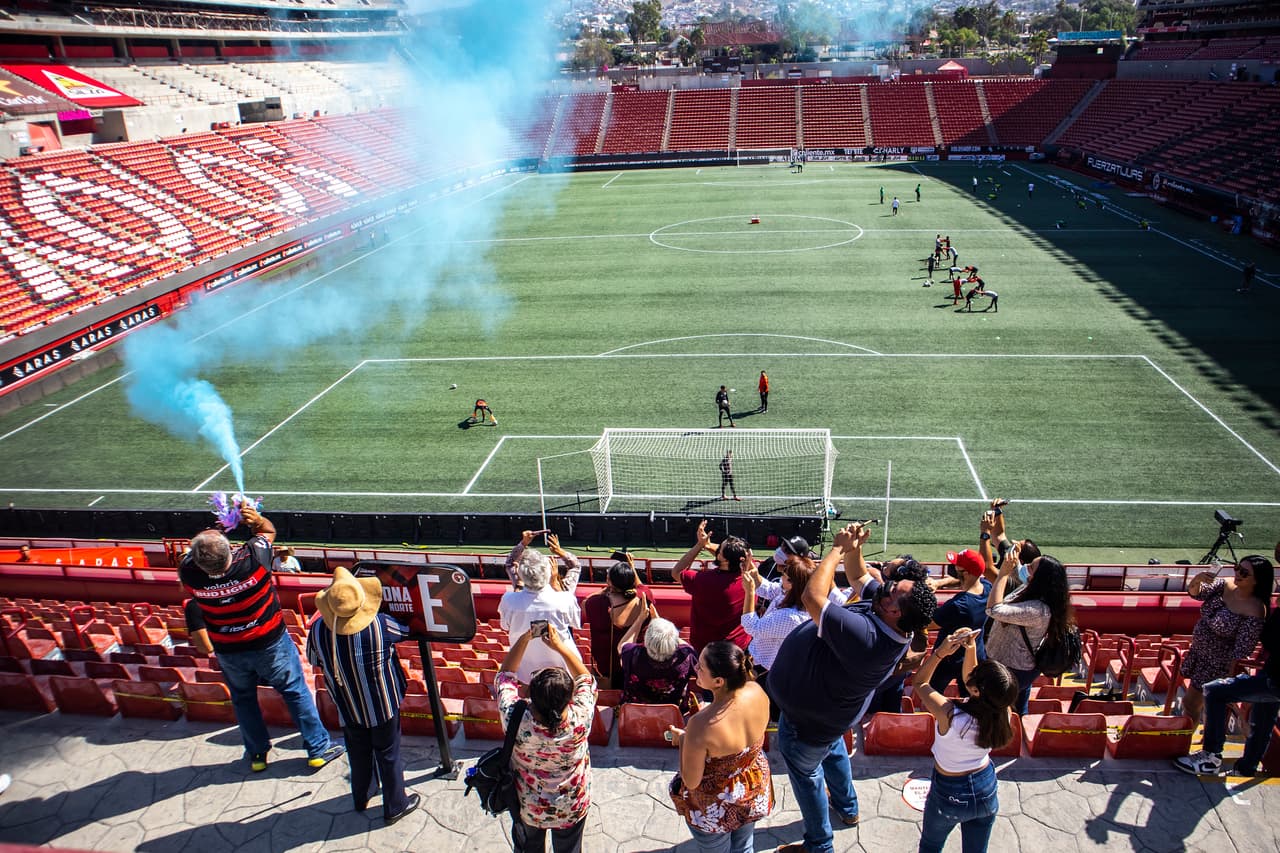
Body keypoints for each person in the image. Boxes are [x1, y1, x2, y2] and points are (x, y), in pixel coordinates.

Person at [769, 522, 937, 853]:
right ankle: (847, 808)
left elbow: (812, 596)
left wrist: (836, 549)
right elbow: (860, 576)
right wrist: (856, 548)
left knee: (807, 777)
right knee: (832, 750)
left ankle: (819, 844)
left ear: (896, 613)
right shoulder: (889, 610)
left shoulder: (869, 637)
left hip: (808, 722)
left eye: (892, 591)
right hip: (831, 717)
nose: (885, 587)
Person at [180, 507, 341, 772]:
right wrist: (255, 519)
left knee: (243, 699)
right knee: (295, 691)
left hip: (228, 649)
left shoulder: (190, 573)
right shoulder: (252, 560)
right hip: (270, 643)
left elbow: (191, 559)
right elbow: (267, 531)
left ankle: (257, 755)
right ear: (229, 553)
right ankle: (318, 749)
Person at [307, 568, 418, 823]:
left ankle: (362, 795)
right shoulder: (380, 625)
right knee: (388, 753)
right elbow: (405, 630)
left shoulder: (317, 631)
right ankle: (395, 805)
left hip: (347, 705)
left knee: (357, 751)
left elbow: (315, 660)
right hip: (382, 705)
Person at [911, 631, 1018, 853]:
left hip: (949, 790)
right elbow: (974, 684)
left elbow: (920, 682)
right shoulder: (1003, 710)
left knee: (931, 845)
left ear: (977, 689)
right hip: (985, 783)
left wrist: (940, 653)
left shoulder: (951, 716)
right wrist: (970, 649)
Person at [496, 625, 596, 853]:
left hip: (528, 806)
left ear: (529, 694)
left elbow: (505, 677)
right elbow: (585, 678)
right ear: (570, 698)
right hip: (572, 804)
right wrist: (559, 646)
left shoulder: (515, 718)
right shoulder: (580, 718)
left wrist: (525, 638)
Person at [1176, 553, 1278, 776]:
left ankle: (1205, 753)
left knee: (1196, 703)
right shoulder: (1225, 585)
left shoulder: (1256, 609)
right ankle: (1188, 745)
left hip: (1217, 664)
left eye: (1244, 572)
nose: (1237, 574)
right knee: (1192, 704)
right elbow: (1195, 594)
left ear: (1258, 580)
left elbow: (1243, 650)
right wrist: (1197, 580)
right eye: (1237, 568)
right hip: (1199, 654)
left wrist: (1229, 679)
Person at [668, 641, 774, 853]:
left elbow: (691, 780)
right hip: (752, 788)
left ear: (718, 681)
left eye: (700, 667)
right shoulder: (757, 690)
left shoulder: (700, 725)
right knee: (744, 846)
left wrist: (683, 741)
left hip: (715, 805)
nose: (695, 668)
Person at [741, 552, 848, 719]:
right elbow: (769, 589)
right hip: (768, 668)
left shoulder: (791, 616)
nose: (780, 577)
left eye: (784, 575)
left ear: (793, 583)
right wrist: (752, 571)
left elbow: (751, 626)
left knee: (765, 716)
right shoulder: (790, 595)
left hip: (768, 674)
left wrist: (749, 593)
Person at [984, 547, 1075, 715]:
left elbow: (994, 610)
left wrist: (1003, 574)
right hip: (1017, 665)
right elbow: (1019, 573)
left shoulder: (1038, 610)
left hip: (1013, 670)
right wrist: (1012, 555)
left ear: (1040, 578)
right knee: (1018, 709)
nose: (1025, 568)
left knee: (999, 712)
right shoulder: (1033, 590)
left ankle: (1009, 737)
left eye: (1031, 567)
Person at [498, 546, 583, 683]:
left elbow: (504, 626)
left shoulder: (509, 600)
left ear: (521, 574)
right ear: (549, 573)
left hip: (524, 671)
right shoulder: (565, 599)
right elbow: (576, 624)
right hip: (562, 669)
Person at [676, 519, 751, 653]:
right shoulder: (750, 580)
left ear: (724, 559)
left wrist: (700, 545)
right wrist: (708, 545)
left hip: (705, 648)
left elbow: (676, 572)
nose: (715, 549)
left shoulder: (702, 580)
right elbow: (734, 560)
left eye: (719, 550)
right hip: (737, 648)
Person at [926, 548, 991, 694]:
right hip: (974, 657)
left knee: (929, 692)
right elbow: (965, 580)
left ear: (966, 573)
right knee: (970, 698)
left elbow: (928, 624)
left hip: (947, 658)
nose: (953, 568)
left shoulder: (958, 605)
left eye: (957, 567)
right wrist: (940, 583)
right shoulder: (988, 588)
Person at [581, 557, 651, 689]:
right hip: (634, 664)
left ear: (610, 582)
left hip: (606, 667)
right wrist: (631, 567)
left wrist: (606, 589)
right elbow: (642, 587)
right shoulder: (644, 599)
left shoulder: (597, 603)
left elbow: (585, 603)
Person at [619, 614, 699, 713]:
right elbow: (688, 647)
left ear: (646, 640)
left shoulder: (633, 654)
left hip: (635, 713)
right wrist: (666, 632)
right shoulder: (686, 655)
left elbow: (621, 646)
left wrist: (640, 619)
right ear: (674, 641)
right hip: (675, 714)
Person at [504, 530, 583, 594]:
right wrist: (560, 551)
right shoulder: (565, 596)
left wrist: (523, 543)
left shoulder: (514, 597)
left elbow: (510, 563)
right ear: (551, 572)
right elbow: (575, 566)